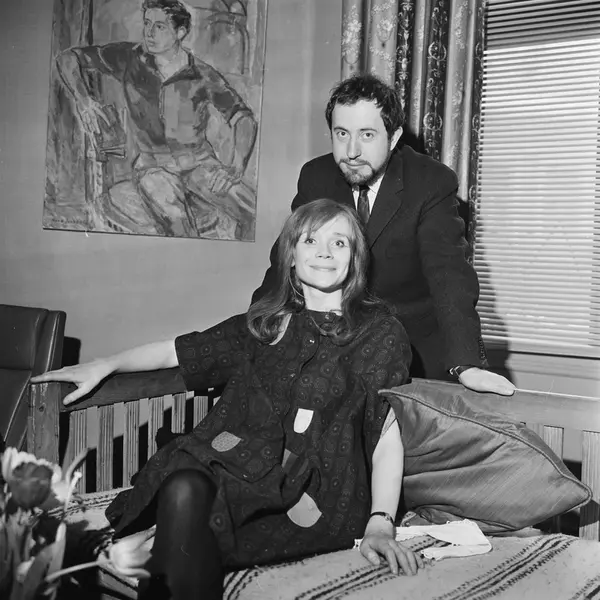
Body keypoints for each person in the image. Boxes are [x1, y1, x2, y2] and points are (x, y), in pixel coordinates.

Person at [32, 199, 424, 600]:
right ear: (291, 256)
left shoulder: (380, 334)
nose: (324, 252)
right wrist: (105, 364)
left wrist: (381, 521)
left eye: (339, 242)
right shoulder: (266, 325)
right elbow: (178, 351)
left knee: (184, 515)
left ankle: (171, 540)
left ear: (355, 259)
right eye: (310, 240)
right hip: (234, 468)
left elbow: (386, 431)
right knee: (184, 484)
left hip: (314, 498)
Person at [253, 74, 514, 396]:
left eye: (367, 135)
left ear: (393, 138)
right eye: (342, 134)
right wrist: (259, 327)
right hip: (336, 347)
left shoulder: (430, 181)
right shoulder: (316, 176)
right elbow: (286, 258)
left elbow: (449, 274)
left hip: (413, 351)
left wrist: (467, 363)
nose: (352, 151)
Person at [56, 0, 258, 240]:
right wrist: (83, 101)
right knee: (176, 220)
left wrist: (236, 165)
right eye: (147, 23)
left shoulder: (202, 75)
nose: (149, 33)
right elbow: (68, 58)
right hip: (153, 168)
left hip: (200, 164)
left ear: (180, 32)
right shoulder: (129, 58)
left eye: (160, 26)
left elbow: (243, 117)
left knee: (252, 211)